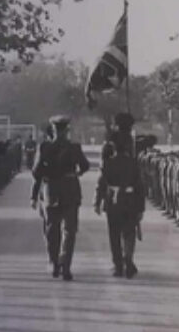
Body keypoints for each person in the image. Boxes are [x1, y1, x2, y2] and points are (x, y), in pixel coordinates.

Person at [31, 115, 90, 281]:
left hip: (51, 191)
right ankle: (66, 264)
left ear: (53, 130)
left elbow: (36, 172)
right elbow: (85, 166)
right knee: (69, 230)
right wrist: (75, 173)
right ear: (67, 130)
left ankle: (54, 262)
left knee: (51, 229)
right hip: (70, 190)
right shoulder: (74, 148)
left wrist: (41, 182)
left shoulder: (44, 147)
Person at [97, 113, 144, 278]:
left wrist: (98, 201)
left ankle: (118, 265)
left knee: (114, 234)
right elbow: (140, 186)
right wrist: (141, 207)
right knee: (129, 232)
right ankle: (128, 260)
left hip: (114, 200)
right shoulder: (133, 162)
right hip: (130, 200)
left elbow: (102, 182)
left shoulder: (108, 162)